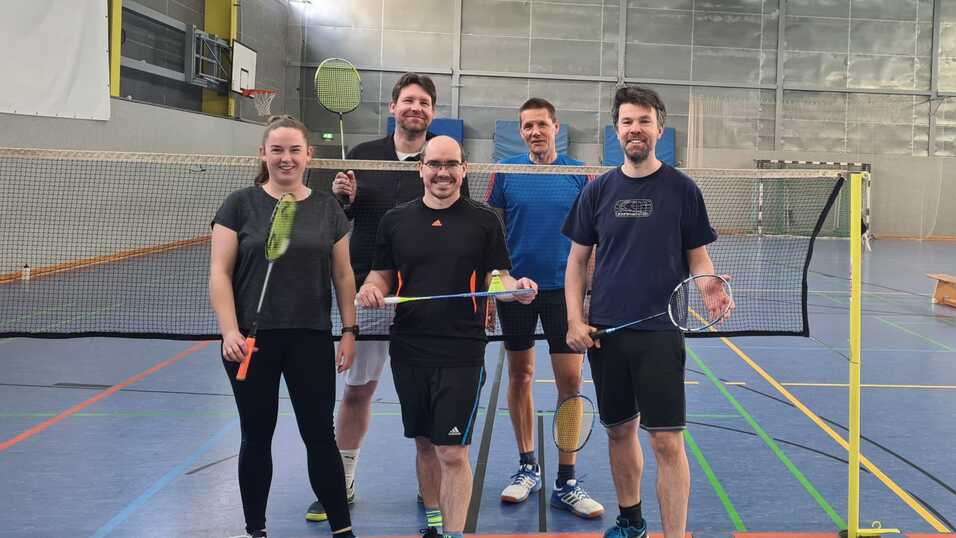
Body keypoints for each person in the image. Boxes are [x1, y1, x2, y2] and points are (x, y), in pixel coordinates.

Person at [563, 86, 732, 538]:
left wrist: (709, 285)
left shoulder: (682, 190)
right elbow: (576, 262)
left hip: (660, 331)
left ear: (659, 128)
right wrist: (575, 320)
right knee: (619, 432)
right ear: (616, 130)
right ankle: (631, 521)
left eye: (643, 121)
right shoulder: (598, 191)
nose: (635, 129)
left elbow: (697, 256)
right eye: (627, 122)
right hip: (606, 333)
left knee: (666, 440)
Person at [308, 73, 470, 528]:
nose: (415, 107)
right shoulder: (363, 156)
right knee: (358, 390)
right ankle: (341, 481)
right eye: (408, 100)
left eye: (424, 102)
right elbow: (339, 223)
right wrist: (343, 200)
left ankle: (432, 487)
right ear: (393, 107)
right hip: (372, 292)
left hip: (427, 296)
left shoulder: (442, 158)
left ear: (432, 112)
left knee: (432, 395)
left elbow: (464, 220)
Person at [356, 136, 538, 538]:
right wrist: (370, 288)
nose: (443, 172)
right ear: (421, 168)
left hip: (462, 350)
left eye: (451, 164)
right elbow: (381, 274)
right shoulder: (395, 221)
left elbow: (497, 278)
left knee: (452, 451)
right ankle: (435, 526)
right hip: (409, 348)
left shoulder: (484, 221)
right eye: (435, 164)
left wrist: (516, 289)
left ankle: (454, 533)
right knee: (425, 444)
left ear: (464, 169)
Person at [210, 115, 358, 538]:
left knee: (320, 435)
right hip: (250, 342)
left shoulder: (328, 208)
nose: (286, 158)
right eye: (277, 150)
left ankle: (342, 530)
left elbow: (343, 274)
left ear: (309, 154)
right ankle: (255, 530)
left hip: (310, 338)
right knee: (256, 436)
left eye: (294, 150)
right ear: (263, 154)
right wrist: (229, 331)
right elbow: (220, 272)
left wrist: (349, 331)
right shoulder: (239, 205)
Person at [486, 98, 603, 518]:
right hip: (516, 290)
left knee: (570, 383)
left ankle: (567, 481)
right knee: (520, 375)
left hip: (563, 293)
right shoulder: (505, 172)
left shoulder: (579, 174)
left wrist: (587, 296)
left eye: (541, 124)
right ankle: (527, 467)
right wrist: (495, 287)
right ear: (520, 132)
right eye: (527, 126)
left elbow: (591, 239)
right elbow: (492, 235)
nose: (535, 132)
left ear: (556, 128)